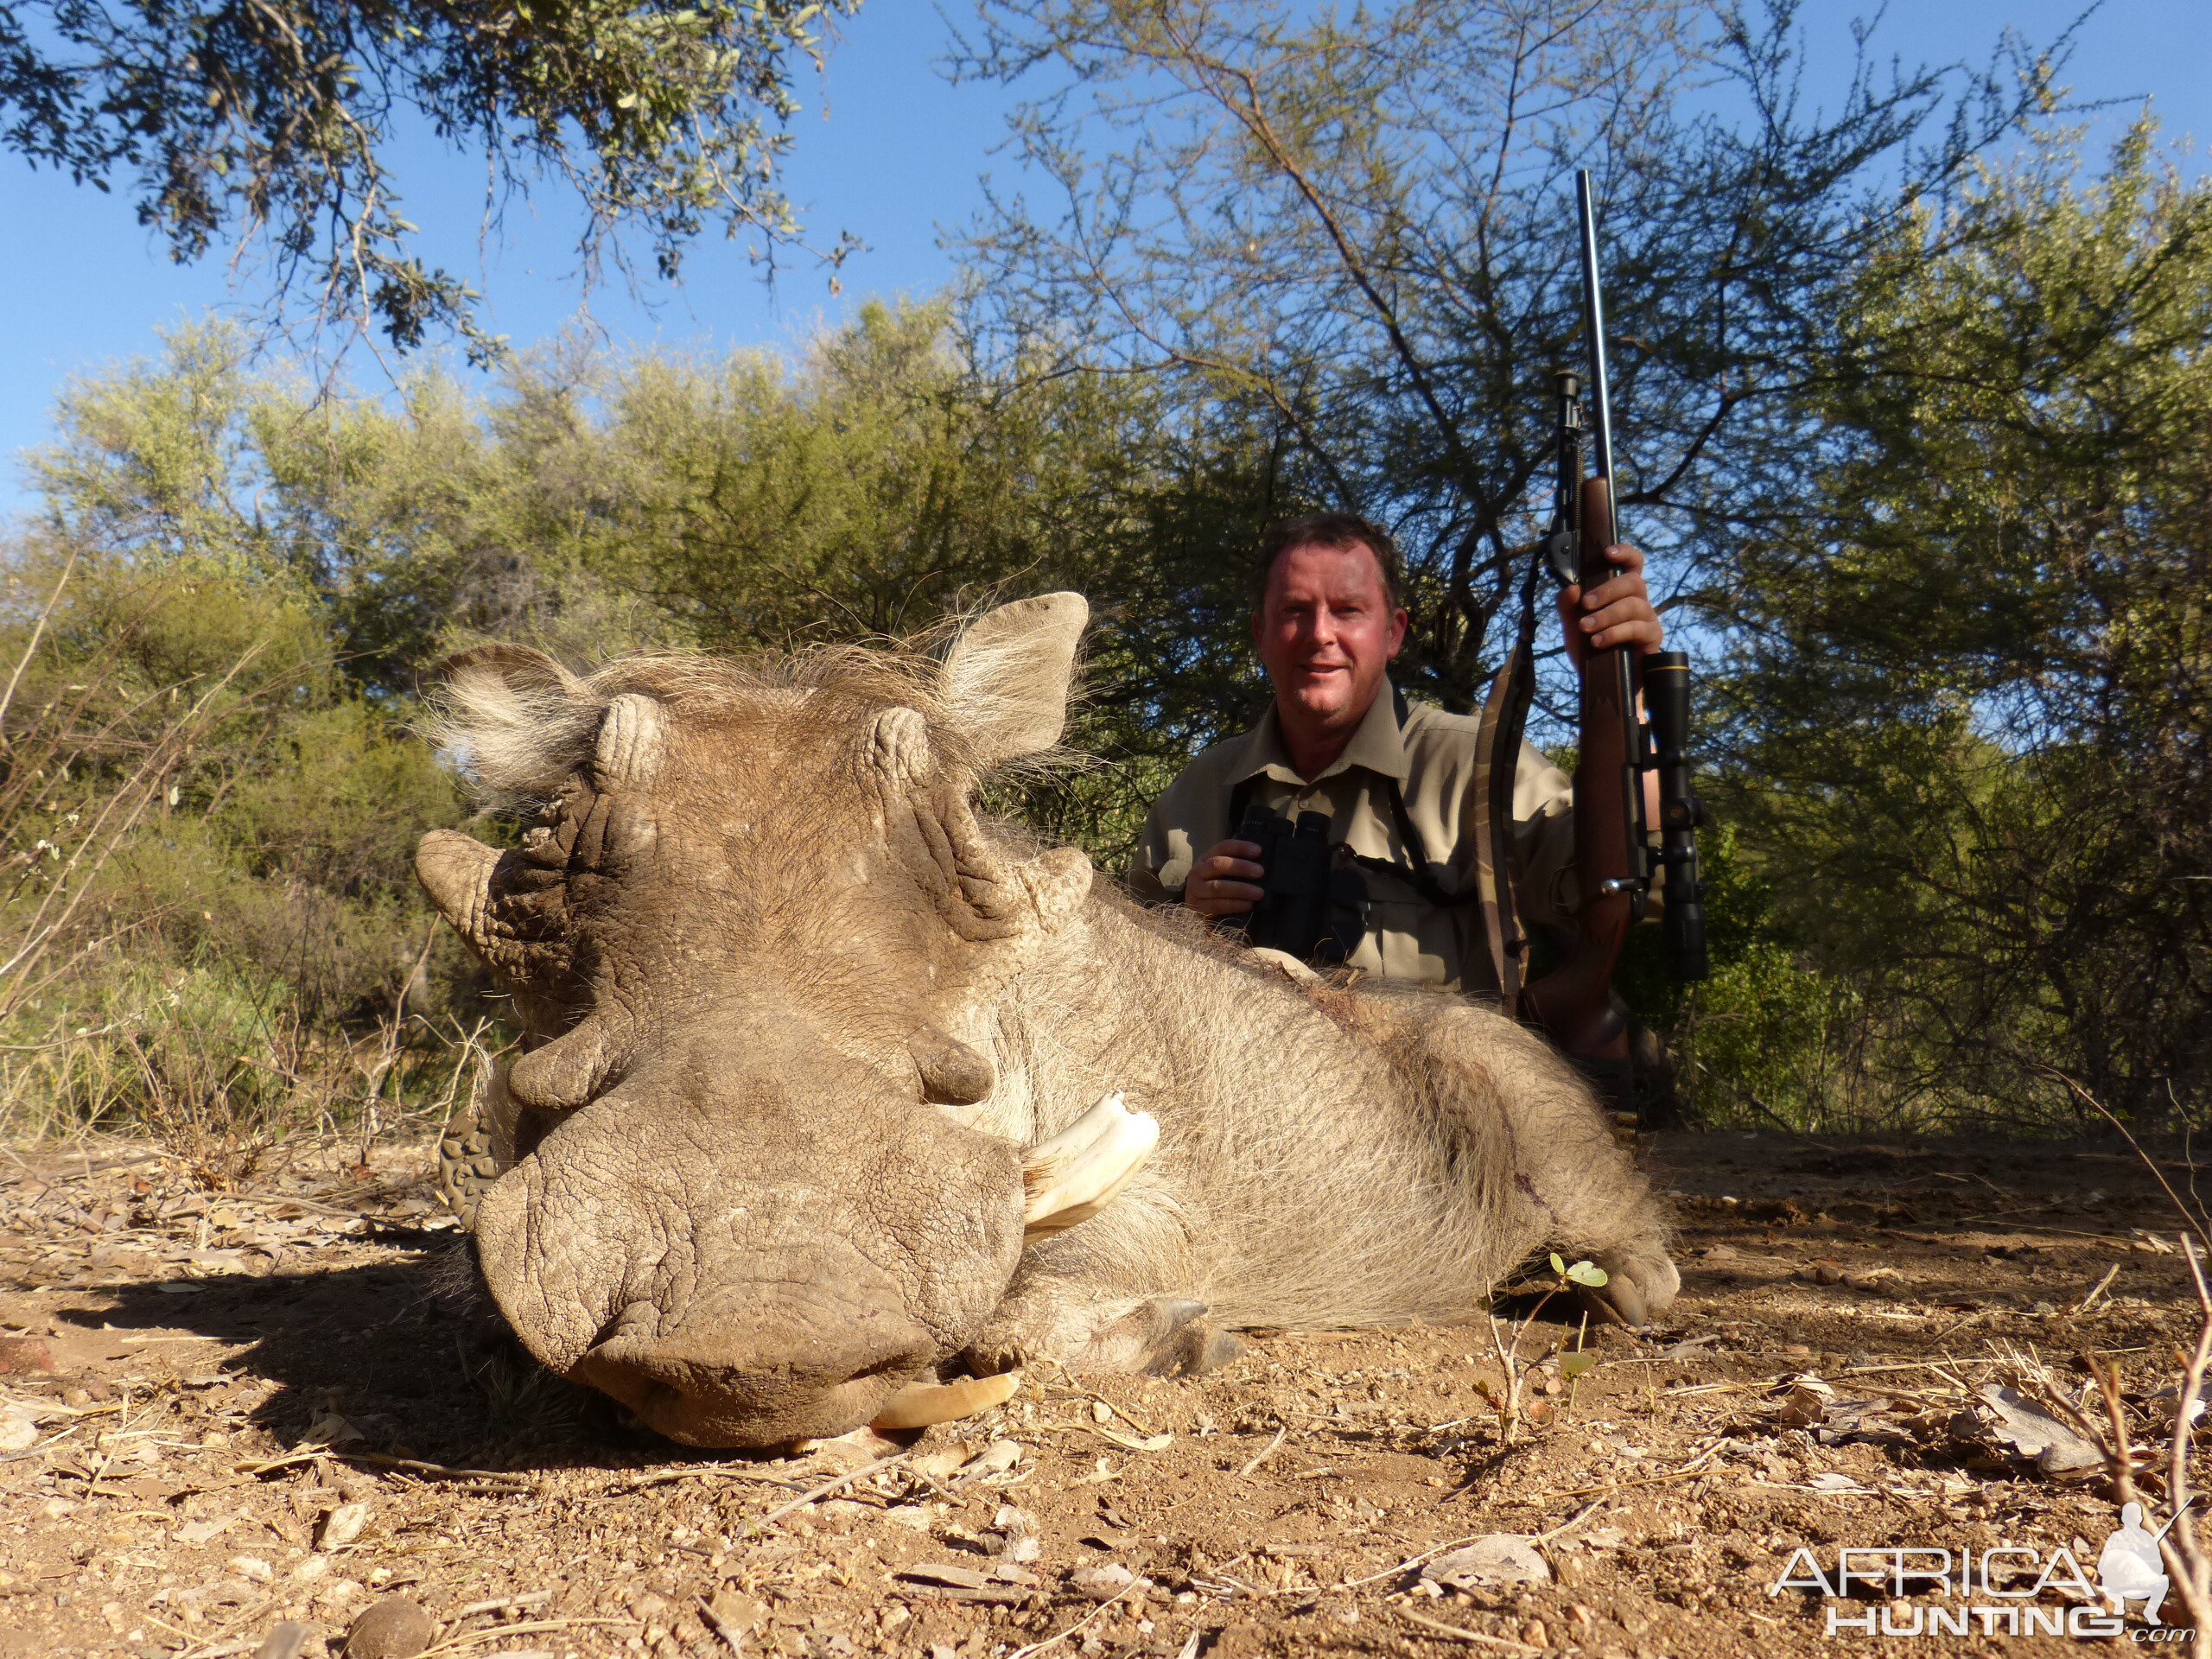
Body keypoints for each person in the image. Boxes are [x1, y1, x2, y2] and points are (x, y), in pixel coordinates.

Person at [1128, 511, 1666, 1001]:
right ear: (1260, 634)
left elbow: (1624, 888)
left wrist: (1626, 697)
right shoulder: (1197, 793)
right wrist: (1183, 918)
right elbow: (1125, 979)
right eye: (1295, 610)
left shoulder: (1476, 766)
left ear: (1394, 634)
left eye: (1348, 611)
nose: (1320, 634)